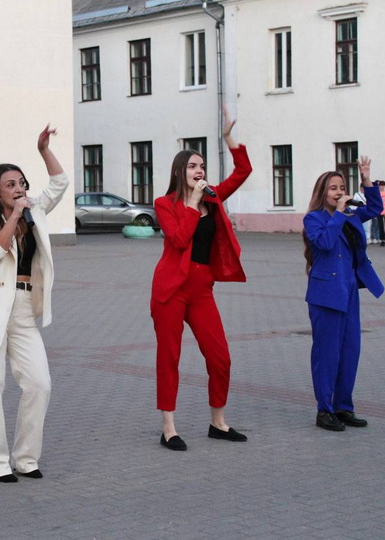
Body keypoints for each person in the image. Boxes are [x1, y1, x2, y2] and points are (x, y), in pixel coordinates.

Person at [0, 125, 67, 482]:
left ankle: (26, 459)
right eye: (11, 185)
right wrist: (14, 216)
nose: (20, 189)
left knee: (39, 383)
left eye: (22, 182)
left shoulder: (34, 210)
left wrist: (43, 150)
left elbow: (60, 184)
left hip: (24, 309)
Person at [150, 108, 252, 451]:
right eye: (193, 166)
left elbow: (244, 171)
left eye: (202, 166)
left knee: (220, 356)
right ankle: (169, 428)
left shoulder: (214, 197)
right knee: (170, 357)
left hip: (201, 288)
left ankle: (218, 423)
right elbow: (179, 240)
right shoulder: (164, 203)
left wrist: (228, 137)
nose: (200, 170)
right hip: (171, 290)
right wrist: (192, 203)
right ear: (180, 171)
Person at [302, 157, 384, 432]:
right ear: (322, 193)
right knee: (327, 353)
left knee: (350, 350)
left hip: (348, 288)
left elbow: (375, 207)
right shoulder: (313, 218)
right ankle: (324, 410)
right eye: (332, 188)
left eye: (341, 188)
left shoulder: (351, 214)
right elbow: (324, 242)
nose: (338, 192)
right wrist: (338, 213)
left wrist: (366, 178)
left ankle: (343, 407)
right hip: (325, 293)